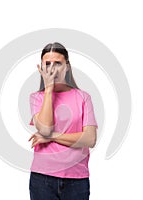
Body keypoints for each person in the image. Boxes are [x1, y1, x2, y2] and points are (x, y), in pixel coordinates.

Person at [28, 42, 98, 200]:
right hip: (42, 179)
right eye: (47, 64)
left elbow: (90, 139)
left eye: (58, 63)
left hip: (77, 179)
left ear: (67, 66)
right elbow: (45, 129)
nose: (52, 68)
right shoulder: (36, 98)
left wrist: (51, 137)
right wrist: (49, 89)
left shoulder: (83, 97)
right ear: (41, 67)